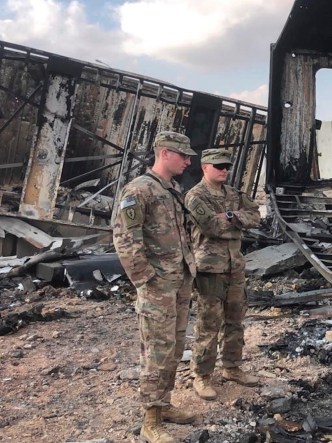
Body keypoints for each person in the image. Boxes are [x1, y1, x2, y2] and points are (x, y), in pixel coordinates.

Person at [113, 131, 198, 443]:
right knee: (157, 352)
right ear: (164, 153)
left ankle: (164, 405)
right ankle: (151, 421)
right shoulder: (139, 190)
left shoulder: (171, 189)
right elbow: (125, 240)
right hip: (158, 286)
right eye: (183, 155)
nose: (188, 161)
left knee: (174, 347)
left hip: (179, 282)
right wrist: (147, 280)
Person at [185, 148, 262, 400]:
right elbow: (211, 226)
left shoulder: (233, 194)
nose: (224, 170)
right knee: (209, 323)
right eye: (218, 166)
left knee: (235, 320)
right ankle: (202, 375)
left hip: (235, 267)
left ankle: (232, 367)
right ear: (204, 167)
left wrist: (230, 215)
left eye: (226, 166)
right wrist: (235, 222)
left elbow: (255, 216)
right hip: (209, 269)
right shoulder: (195, 196)